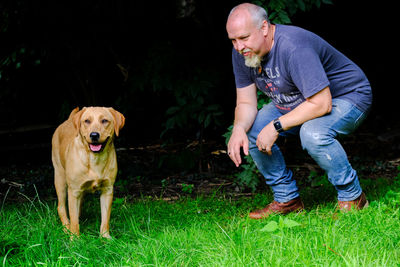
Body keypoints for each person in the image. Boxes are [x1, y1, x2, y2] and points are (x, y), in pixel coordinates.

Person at [226, 3, 372, 219]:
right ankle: (288, 200)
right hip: (300, 101)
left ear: (264, 27)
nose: (239, 46)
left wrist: (277, 125)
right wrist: (238, 128)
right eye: (233, 40)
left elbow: (322, 103)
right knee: (252, 130)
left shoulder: (293, 47)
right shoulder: (243, 52)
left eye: (244, 38)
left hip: (348, 96)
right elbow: (247, 103)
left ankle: (353, 197)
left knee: (313, 133)